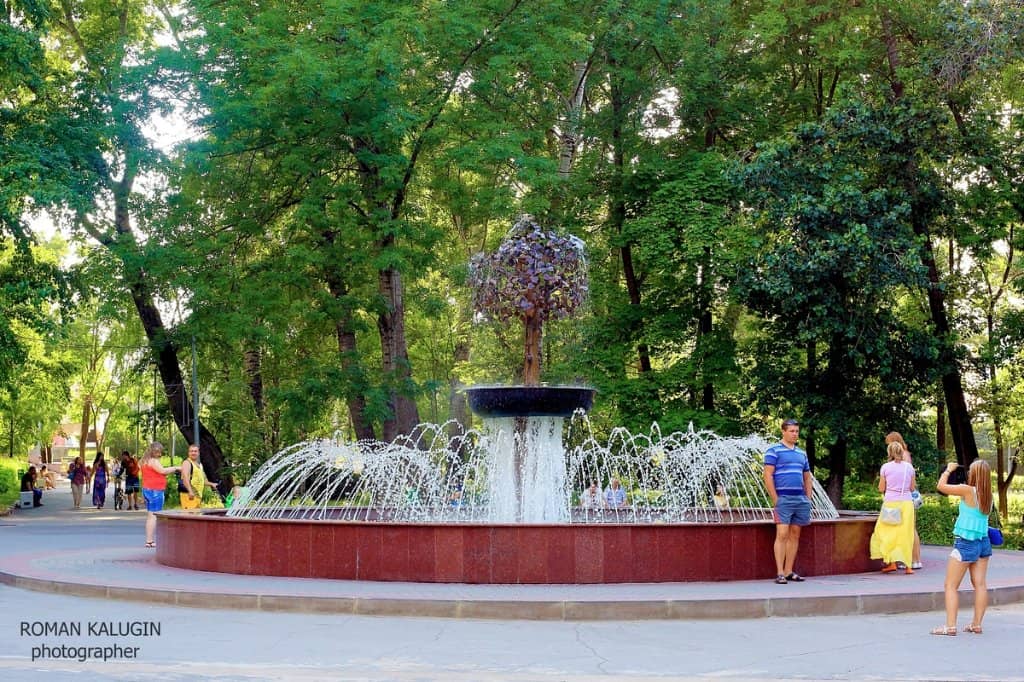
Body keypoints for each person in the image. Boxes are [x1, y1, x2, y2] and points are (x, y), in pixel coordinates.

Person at [931, 460, 994, 636]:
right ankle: (976, 624)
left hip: (965, 543)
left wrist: (948, 470)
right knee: (980, 585)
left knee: (950, 585)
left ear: (973, 474)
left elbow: (941, 486)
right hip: (983, 543)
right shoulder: (989, 496)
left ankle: (950, 627)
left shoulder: (968, 490)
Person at [763, 418, 813, 584]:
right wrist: (775, 499)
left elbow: (807, 477)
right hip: (783, 499)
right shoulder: (773, 451)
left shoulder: (801, 453)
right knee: (782, 534)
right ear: (783, 431)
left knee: (794, 535)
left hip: (800, 499)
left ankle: (789, 570)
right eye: (792, 431)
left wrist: (808, 498)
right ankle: (780, 573)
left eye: (797, 431)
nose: (795, 434)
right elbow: (767, 475)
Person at [870, 441, 916, 574]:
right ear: (901, 452)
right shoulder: (909, 468)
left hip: (890, 503)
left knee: (886, 532)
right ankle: (908, 566)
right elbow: (912, 488)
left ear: (889, 453)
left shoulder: (885, 467)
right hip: (906, 504)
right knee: (906, 534)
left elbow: (881, 488)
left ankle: (891, 563)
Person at [885, 431, 922, 569]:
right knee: (909, 528)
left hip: (902, 498)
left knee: (909, 528)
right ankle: (913, 560)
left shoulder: (903, 457)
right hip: (905, 496)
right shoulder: (905, 455)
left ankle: (913, 560)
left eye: (889, 443)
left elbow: (905, 479)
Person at [140, 441, 181, 548]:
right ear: (155, 451)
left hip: (147, 489)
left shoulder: (144, 461)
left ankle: (149, 540)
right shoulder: (153, 461)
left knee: (150, 516)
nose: (160, 454)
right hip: (155, 491)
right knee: (154, 516)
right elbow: (163, 471)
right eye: (159, 452)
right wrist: (176, 468)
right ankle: (150, 541)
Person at [179, 444, 217, 511]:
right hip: (189, 495)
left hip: (197, 496)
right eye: (191, 451)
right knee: (189, 516)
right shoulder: (187, 463)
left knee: (196, 516)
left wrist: (212, 484)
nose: (193, 453)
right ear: (188, 453)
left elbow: (201, 480)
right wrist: (190, 491)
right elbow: (185, 477)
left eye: (195, 451)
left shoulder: (198, 465)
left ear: (198, 453)